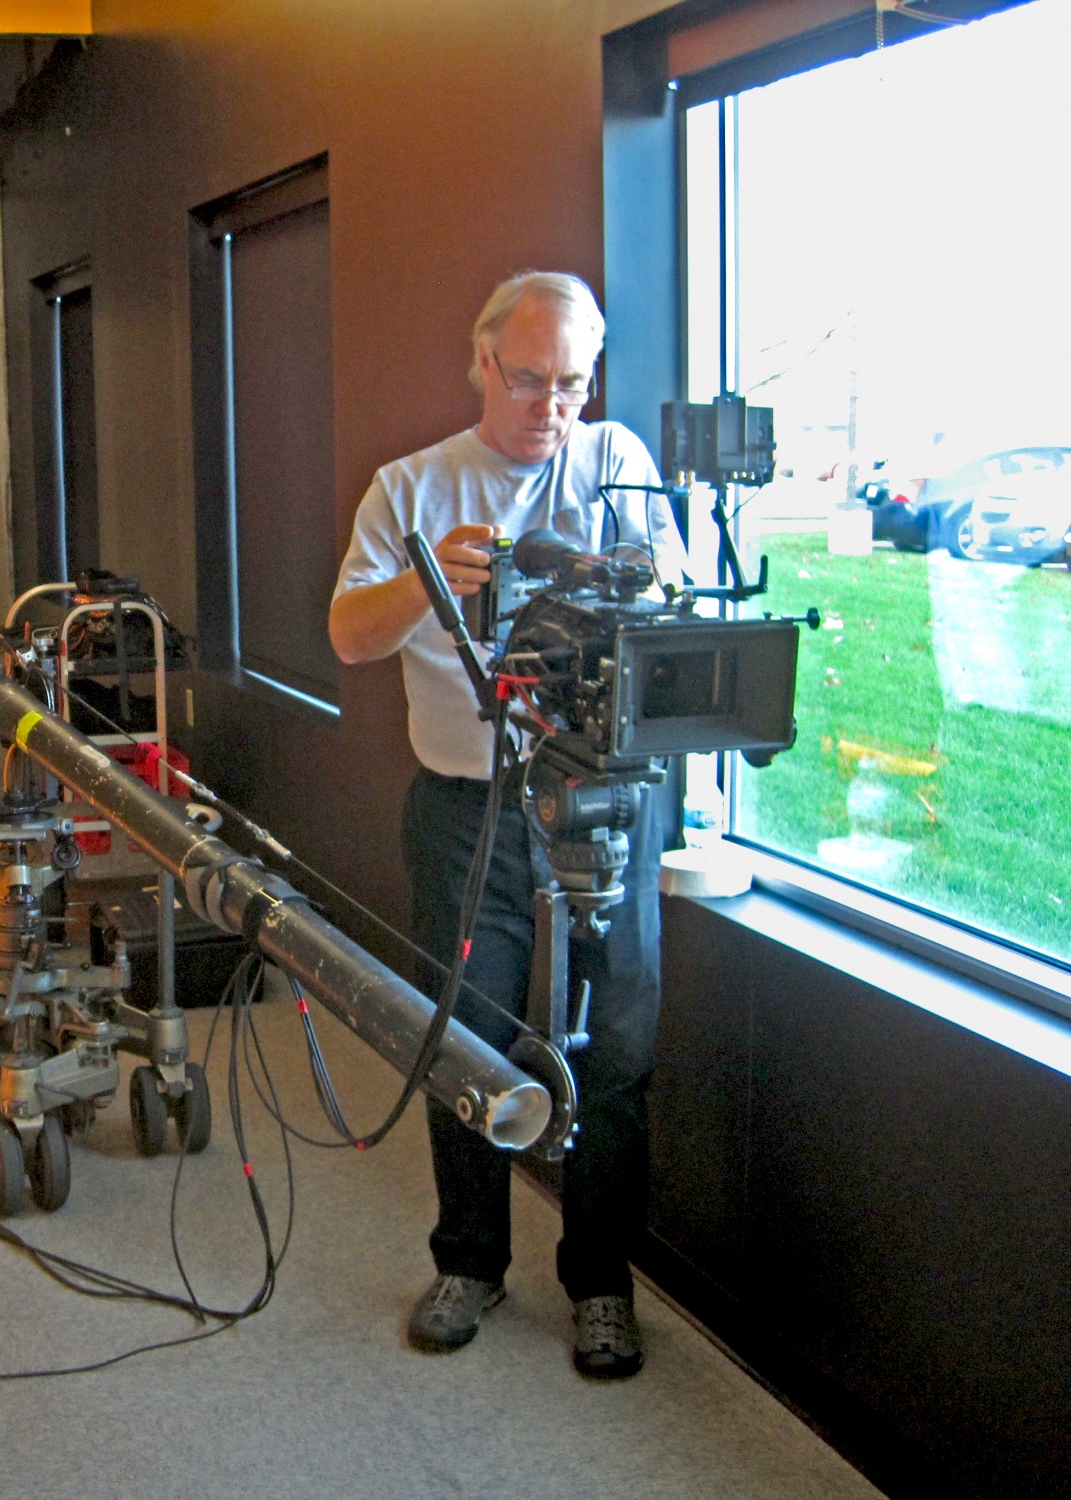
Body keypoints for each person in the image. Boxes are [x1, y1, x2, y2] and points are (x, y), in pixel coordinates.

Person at [328, 271, 680, 1380]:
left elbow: (674, 604)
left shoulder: (618, 463)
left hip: (602, 800)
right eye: (527, 380)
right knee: (464, 1038)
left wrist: (625, 576)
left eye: (571, 384)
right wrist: (430, 584)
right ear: (480, 362)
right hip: (465, 805)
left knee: (614, 1051)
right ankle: (470, 1261)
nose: (549, 407)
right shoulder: (412, 485)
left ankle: (601, 1283)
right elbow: (348, 635)